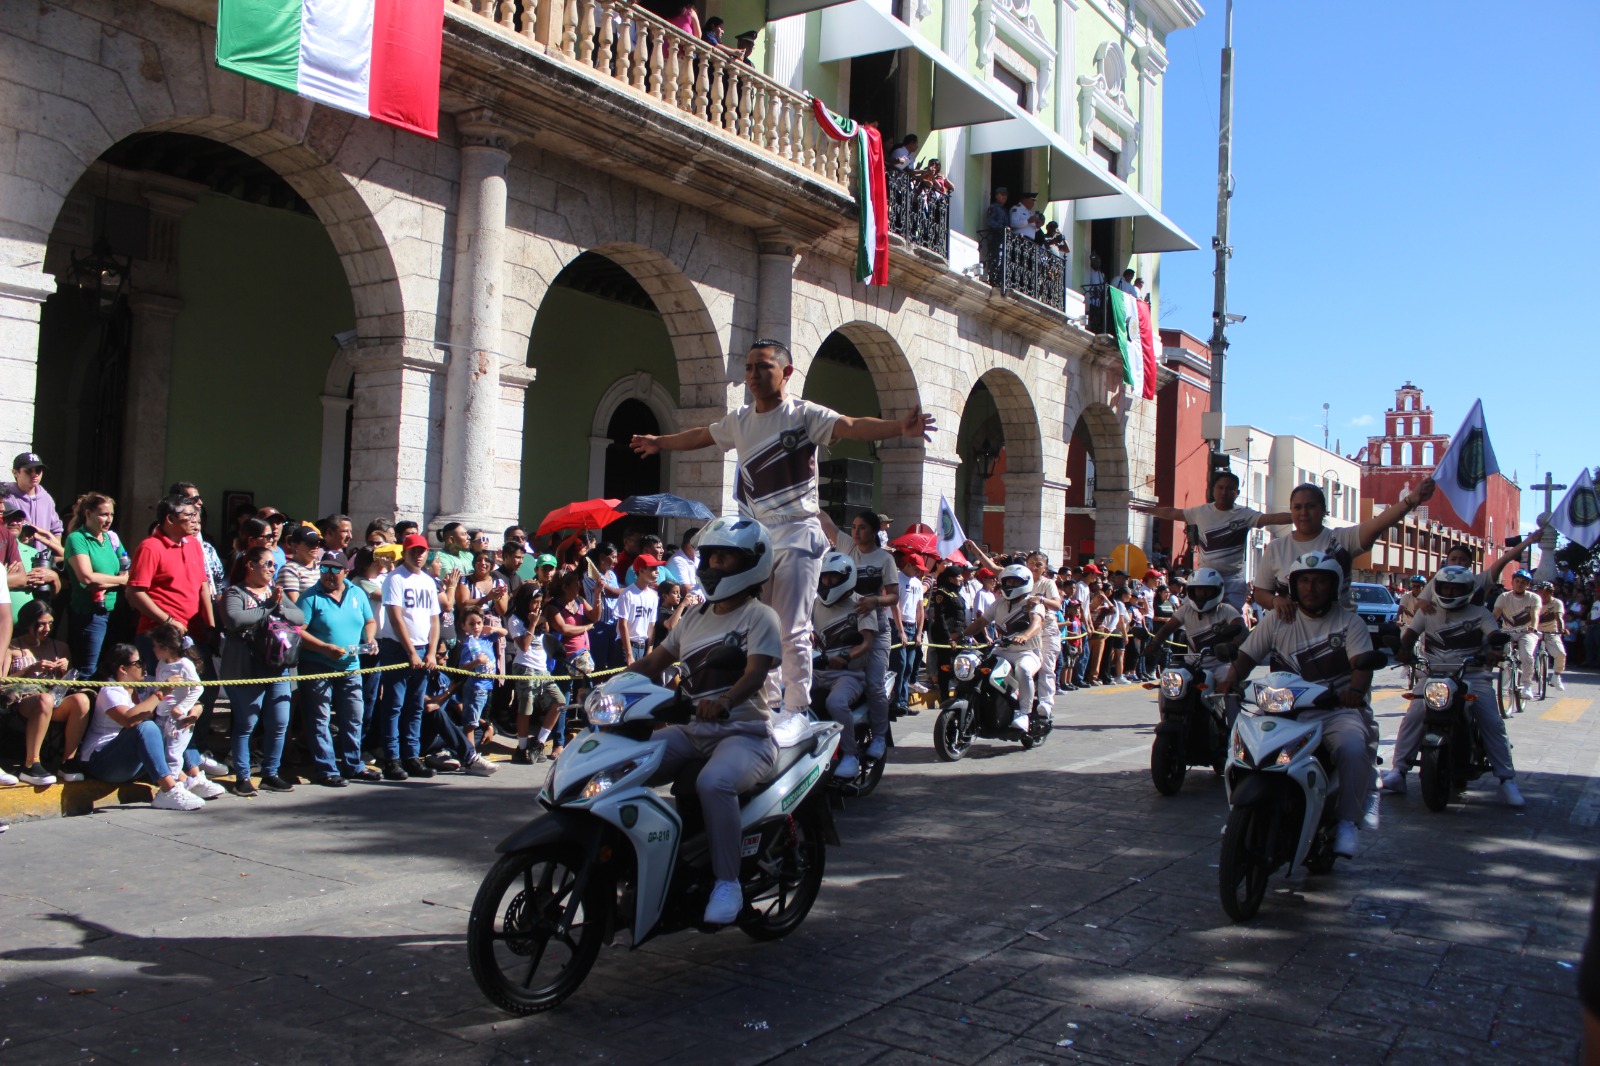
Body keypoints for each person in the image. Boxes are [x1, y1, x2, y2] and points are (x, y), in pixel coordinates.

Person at [631, 340, 934, 718]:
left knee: (791, 627)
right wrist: (660, 442)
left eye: (763, 367)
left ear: (786, 372)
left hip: (798, 532)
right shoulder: (740, 420)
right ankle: (767, 701)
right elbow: (701, 436)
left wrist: (898, 428)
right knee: (761, 626)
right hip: (756, 539)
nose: (753, 375)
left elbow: (852, 425)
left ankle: (796, 707)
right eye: (748, 368)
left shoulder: (804, 415)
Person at [627, 516, 784, 925]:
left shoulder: (760, 616)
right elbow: (654, 660)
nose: (714, 564)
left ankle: (727, 882)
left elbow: (754, 673)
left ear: (750, 564)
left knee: (713, 782)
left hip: (745, 734)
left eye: (725, 558)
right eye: (710, 555)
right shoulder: (694, 617)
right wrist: (612, 686)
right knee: (626, 766)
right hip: (692, 729)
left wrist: (726, 701)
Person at [1217, 552, 1378, 858]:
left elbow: (1362, 665)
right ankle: (1237, 813)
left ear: (1333, 586)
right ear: (1293, 585)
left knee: (1353, 748)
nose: (1311, 587)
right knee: (1241, 746)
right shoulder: (1278, 619)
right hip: (1282, 709)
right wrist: (1230, 678)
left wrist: (1355, 691)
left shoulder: (1349, 622)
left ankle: (1346, 821)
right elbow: (1247, 656)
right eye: (1304, 580)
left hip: (1333, 711)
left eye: (1319, 581)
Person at [1383, 565, 1522, 807]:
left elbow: (1493, 637)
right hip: (1433, 675)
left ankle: (1506, 779)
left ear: (1467, 590)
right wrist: (1403, 651)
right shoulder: (1427, 612)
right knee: (1413, 715)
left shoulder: (1481, 613)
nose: (1449, 591)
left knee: (1492, 720)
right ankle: (1398, 772)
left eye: (1455, 588)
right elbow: (1410, 636)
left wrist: (1494, 652)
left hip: (1473, 676)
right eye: (1445, 586)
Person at [1253, 478, 1438, 615]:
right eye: (1297, 507)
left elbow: (1381, 522)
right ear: (1291, 510)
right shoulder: (1276, 548)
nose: (1303, 513)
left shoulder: (1341, 539)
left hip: (1338, 636)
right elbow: (1261, 592)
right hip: (1290, 636)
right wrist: (1274, 600)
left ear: (1323, 510)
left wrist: (1412, 499)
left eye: (1310, 506)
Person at [1134, 471, 1290, 609]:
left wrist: (1299, 517)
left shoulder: (1245, 514)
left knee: (1229, 620)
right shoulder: (1201, 512)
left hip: (1232, 580)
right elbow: (1173, 513)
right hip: (1204, 578)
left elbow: (1272, 518)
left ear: (1237, 493)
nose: (1224, 492)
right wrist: (1147, 509)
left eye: (1230, 489)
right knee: (1188, 615)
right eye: (1220, 487)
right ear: (1213, 490)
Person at [79, 643, 205, 810]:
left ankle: (189, 780)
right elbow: (129, 720)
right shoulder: (111, 690)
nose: (144, 666)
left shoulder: (147, 683)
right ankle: (169, 790)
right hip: (102, 761)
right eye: (138, 663)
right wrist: (161, 693)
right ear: (123, 669)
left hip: (131, 762)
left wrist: (196, 710)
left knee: (174, 723)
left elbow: (186, 696)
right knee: (147, 727)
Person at [219, 547, 303, 796]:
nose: (271, 569)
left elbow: (298, 616)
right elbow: (234, 619)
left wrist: (278, 607)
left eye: (273, 566)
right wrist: (268, 606)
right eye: (266, 564)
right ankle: (242, 777)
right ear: (250, 565)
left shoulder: (273, 592)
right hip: (246, 667)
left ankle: (271, 773)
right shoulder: (234, 592)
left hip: (277, 666)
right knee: (246, 723)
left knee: (279, 722)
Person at [297, 550, 377, 786]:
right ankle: (327, 768)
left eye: (334, 570)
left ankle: (353, 764)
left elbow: (369, 621)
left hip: (351, 665)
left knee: (353, 716)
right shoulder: (311, 597)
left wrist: (369, 639)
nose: (329, 575)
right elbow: (297, 630)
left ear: (345, 571)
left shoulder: (357, 593)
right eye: (324, 569)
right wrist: (323, 648)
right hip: (318, 665)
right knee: (319, 718)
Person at [4, 599, 93, 786]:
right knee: (44, 699)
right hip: (23, 701)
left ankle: (67, 761)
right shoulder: (11, 648)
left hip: (54, 700)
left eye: (50, 624)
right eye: (41, 624)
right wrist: (29, 671)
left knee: (81, 700)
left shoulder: (60, 647)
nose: (46, 629)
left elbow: (66, 686)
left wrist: (65, 671)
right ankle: (32, 763)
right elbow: (2, 683)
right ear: (28, 623)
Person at [377, 533, 442, 780]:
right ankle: (391, 758)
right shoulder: (395, 579)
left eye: (422, 551)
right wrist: (411, 651)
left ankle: (411, 755)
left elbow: (434, 619)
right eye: (414, 551)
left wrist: (432, 652)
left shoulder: (428, 581)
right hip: (398, 648)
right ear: (405, 552)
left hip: (424, 649)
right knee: (394, 704)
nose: (418, 555)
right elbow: (395, 617)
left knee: (415, 706)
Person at [831, 510, 896, 752]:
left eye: (862, 528)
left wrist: (875, 601)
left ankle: (879, 736)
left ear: (874, 531)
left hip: (876, 628)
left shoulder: (884, 559)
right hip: (846, 626)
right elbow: (825, 520)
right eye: (854, 527)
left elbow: (893, 596)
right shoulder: (847, 547)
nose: (856, 532)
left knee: (874, 684)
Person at [126, 494, 214, 668]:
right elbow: (134, 593)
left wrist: (210, 626)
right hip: (161, 636)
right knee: (162, 690)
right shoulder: (150, 547)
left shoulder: (193, 544)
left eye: (196, 514)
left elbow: (202, 585)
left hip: (194, 633)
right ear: (170, 519)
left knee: (206, 690)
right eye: (189, 515)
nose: (195, 519)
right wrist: (169, 621)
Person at [812, 552, 876, 779]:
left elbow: (866, 641)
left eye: (833, 578)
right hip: (817, 670)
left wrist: (847, 658)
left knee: (836, 702)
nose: (827, 583)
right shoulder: (814, 604)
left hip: (849, 674)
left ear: (846, 578)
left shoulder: (862, 605)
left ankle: (850, 755)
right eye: (824, 578)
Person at [961, 563, 1044, 732]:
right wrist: (963, 635)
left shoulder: (1033, 602)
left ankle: (1024, 713)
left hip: (1028, 652)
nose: (1010, 586)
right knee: (979, 667)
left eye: (1014, 582)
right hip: (1002, 651)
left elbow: (1036, 623)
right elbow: (980, 622)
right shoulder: (998, 603)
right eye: (1007, 582)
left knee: (1024, 670)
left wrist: (1025, 636)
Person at [146, 622, 223, 799]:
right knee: (164, 750)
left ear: (166, 648)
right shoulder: (161, 664)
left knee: (174, 752)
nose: (153, 650)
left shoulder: (184, 665)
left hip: (178, 717)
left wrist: (182, 707)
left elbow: (198, 689)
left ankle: (174, 787)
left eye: (156, 646)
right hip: (162, 715)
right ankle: (182, 782)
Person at [1142, 568, 1244, 694]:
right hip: (1192, 665)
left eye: (1207, 591)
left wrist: (1232, 645)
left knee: (1229, 687)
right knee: (1168, 687)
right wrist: (1154, 644)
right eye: (1198, 590)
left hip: (1220, 665)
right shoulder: (1186, 610)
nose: (1201, 594)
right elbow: (1168, 628)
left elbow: (1240, 628)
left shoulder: (1226, 610)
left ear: (1217, 590)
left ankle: (1232, 713)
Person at [62, 492, 128, 678]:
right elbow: (87, 578)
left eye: (111, 515)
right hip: (90, 613)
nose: (108, 520)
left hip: (115, 609)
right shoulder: (77, 539)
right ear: (88, 513)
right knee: (87, 669)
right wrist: (121, 580)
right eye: (103, 514)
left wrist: (115, 579)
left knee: (112, 668)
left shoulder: (111, 539)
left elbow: (126, 566)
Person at [506, 581, 563, 764]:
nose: (537, 606)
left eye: (540, 602)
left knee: (559, 702)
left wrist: (541, 623)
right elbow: (523, 646)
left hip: (542, 668)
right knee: (526, 708)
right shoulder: (515, 620)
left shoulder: (540, 617)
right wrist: (531, 624)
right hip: (525, 666)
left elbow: (545, 638)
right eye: (534, 602)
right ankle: (521, 747)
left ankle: (539, 742)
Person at [923, 560, 969, 703]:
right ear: (950, 578)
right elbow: (941, 618)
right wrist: (949, 638)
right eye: (958, 576)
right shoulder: (942, 593)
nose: (961, 578)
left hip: (959, 635)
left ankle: (958, 694)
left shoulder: (957, 593)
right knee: (945, 667)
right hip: (946, 636)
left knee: (960, 666)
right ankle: (944, 697)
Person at [1493, 569, 1542, 703]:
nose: (1520, 584)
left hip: (1526, 632)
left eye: (1523, 583)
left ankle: (1526, 685)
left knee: (1527, 655)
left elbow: (1535, 614)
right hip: (1507, 631)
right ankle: (1505, 683)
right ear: (1512, 582)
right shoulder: (1504, 597)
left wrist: (1534, 626)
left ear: (1528, 584)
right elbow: (1495, 614)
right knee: (1503, 657)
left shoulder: (1533, 598)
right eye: (1517, 581)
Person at [3, 451, 63, 554]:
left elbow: (56, 530)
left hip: (42, 561)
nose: (35, 475)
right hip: (16, 558)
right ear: (15, 472)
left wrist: (53, 553)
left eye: (38, 471)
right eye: (29, 471)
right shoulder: (6, 497)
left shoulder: (47, 499)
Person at [889, 553, 927, 716]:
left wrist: (919, 632)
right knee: (900, 664)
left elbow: (920, 609)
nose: (919, 572)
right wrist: (901, 632)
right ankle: (895, 700)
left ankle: (903, 701)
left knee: (909, 666)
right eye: (917, 568)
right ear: (909, 565)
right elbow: (895, 606)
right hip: (898, 625)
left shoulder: (917, 583)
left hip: (912, 626)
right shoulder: (897, 579)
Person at [617, 554, 662, 666]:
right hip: (626, 646)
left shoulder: (653, 596)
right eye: (653, 568)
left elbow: (652, 625)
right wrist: (629, 654)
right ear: (641, 571)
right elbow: (623, 624)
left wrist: (649, 651)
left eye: (657, 568)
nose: (657, 571)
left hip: (642, 646)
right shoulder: (627, 593)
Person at [275, 525, 324, 602]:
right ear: (295, 546)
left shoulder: (322, 567)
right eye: (310, 543)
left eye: (318, 543)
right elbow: (295, 605)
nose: (316, 546)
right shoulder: (289, 570)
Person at [1536, 581, 1569, 692]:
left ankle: (1556, 676)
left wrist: (1561, 630)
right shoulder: (1533, 601)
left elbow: (1559, 618)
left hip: (1551, 632)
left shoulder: (1556, 603)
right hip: (1535, 632)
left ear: (1551, 593)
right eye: (1539, 593)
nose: (1541, 596)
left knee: (1561, 653)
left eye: (1544, 594)